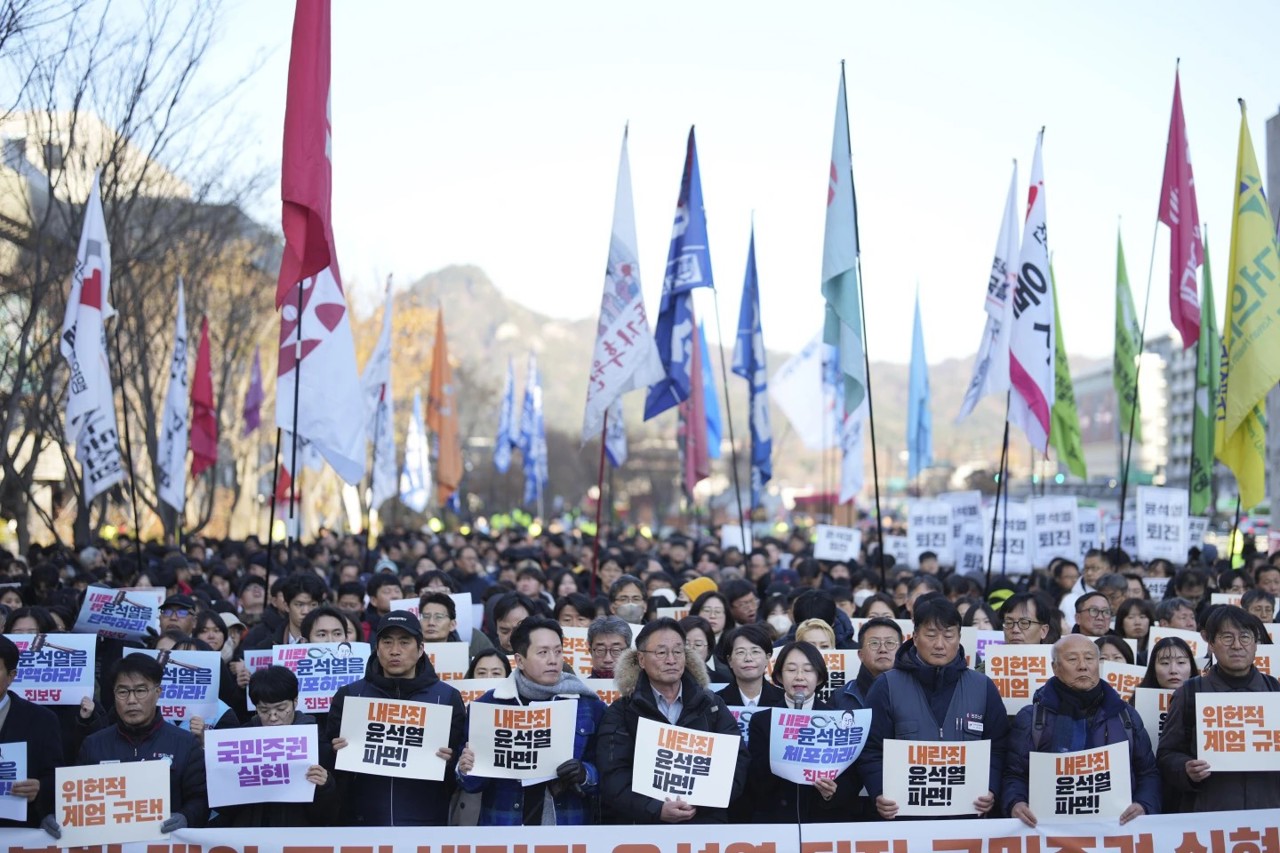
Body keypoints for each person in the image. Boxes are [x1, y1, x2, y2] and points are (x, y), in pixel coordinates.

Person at [858, 596, 1008, 819]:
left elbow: (999, 747)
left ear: (959, 638)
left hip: (967, 817)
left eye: (948, 635)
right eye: (931, 635)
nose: (940, 644)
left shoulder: (982, 686)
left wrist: (991, 788)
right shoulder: (887, 686)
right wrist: (879, 791)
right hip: (904, 818)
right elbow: (869, 749)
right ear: (915, 637)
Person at [456, 617, 606, 825]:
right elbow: (471, 784)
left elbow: (609, 772)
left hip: (566, 828)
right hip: (504, 828)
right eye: (543, 652)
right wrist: (465, 768)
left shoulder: (589, 707)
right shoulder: (488, 706)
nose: (553, 660)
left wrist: (584, 774)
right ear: (519, 660)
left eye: (558, 651)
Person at [596, 617, 748, 823]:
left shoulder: (711, 705)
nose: (671, 660)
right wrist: (655, 809)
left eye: (678, 651)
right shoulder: (622, 712)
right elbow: (613, 774)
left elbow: (737, 758)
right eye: (661, 652)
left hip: (706, 823)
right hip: (645, 828)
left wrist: (703, 800)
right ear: (641, 659)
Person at [1002, 634, 1159, 826]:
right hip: (1051, 830)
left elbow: (1148, 772)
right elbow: (1014, 774)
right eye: (1072, 659)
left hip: (1116, 830)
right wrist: (1015, 803)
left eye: (1089, 658)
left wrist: (1144, 804)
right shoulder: (1032, 718)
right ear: (1055, 667)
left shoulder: (1125, 715)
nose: (1083, 666)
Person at [327, 611, 466, 825]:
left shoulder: (446, 697)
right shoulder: (351, 695)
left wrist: (451, 761)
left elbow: (460, 768)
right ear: (377, 647)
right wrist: (335, 752)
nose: (394, 651)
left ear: (420, 649)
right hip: (362, 821)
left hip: (425, 820)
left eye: (404, 642)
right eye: (387, 642)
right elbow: (329, 765)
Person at [49, 654, 206, 837]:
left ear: (158, 693)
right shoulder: (93, 744)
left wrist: (186, 817)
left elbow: (200, 799)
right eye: (123, 692)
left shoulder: (185, 744)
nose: (131, 700)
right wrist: (55, 815)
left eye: (140, 691)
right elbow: (73, 799)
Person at [1157, 605, 1280, 811]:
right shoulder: (1190, 692)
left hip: (1269, 812)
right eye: (1227, 638)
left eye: (1245, 637)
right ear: (1211, 643)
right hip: (1211, 814)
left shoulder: (1274, 689)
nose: (1237, 646)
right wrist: (1186, 769)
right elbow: (1166, 754)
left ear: (1256, 644)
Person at [211, 666, 335, 826]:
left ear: (295, 701)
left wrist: (325, 786)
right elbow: (224, 808)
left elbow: (330, 815)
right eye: (264, 710)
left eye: (281, 709)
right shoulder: (240, 743)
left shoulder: (317, 742)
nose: (273, 717)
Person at [747, 642, 856, 822]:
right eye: (791, 670)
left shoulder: (836, 721)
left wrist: (831, 792)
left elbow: (851, 777)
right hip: (776, 818)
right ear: (779, 676)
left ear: (819, 677)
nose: (799, 677)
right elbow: (755, 779)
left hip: (822, 819)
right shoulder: (763, 721)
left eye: (808, 670)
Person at [0, 636, 62, 829]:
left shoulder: (41, 720)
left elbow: (56, 777)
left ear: (11, 676)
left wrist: (40, 789)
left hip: (17, 832)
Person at [836, 617, 902, 711]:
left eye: (890, 643)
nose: (883, 649)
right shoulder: (841, 696)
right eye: (874, 643)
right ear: (860, 654)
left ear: (901, 651)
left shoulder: (915, 692)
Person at [717, 624, 784, 708]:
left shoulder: (784, 700)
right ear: (730, 660)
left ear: (767, 658)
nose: (748, 658)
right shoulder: (715, 702)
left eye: (755, 651)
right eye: (740, 652)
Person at [420, 591, 494, 658]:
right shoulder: (410, 652)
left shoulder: (465, 655)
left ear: (452, 625)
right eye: (426, 617)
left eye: (439, 617)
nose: (431, 623)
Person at [678, 615, 729, 683]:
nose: (691, 649)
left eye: (698, 644)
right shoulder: (667, 678)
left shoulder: (722, 680)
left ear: (708, 649)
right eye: (686, 644)